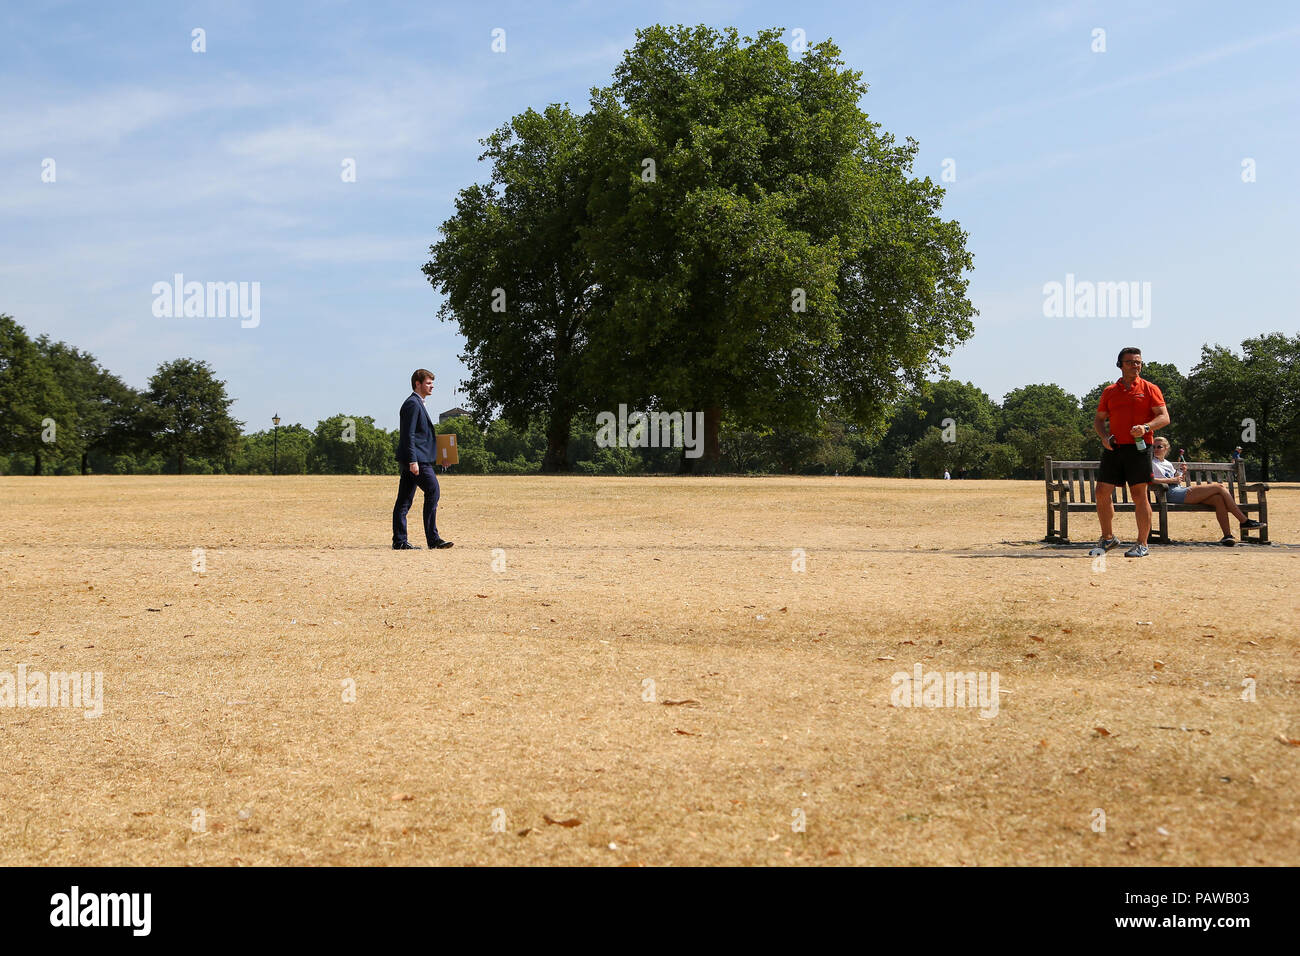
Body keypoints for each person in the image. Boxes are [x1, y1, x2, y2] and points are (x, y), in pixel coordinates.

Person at [1092, 347, 1170, 558]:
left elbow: (1164, 417)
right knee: (1101, 492)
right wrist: (1104, 437)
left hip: (1139, 448)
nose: (1135, 365)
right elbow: (1099, 419)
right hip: (1114, 447)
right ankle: (1108, 538)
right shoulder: (1110, 391)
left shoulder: (1150, 388)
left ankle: (1142, 544)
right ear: (1120, 365)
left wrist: (1146, 427)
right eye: (1130, 362)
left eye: (1138, 362)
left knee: (1139, 495)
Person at [1150, 438, 1262, 545]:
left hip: (1179, 490)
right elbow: (1150, 480)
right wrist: (1172, 479)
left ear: (1166, 448)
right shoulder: (1151, 462)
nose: (1155, 449)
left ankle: (1227, 536)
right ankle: (1243, 521)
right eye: (1153, 447)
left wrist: (1180, 472)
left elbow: (1176, 479)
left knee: (1218, 499)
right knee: (1220, 487)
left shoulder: (1167, 463)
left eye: (1159, 447)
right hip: (1167, 494)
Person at [392, 369, 453, 550]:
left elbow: (422, 437)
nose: (432, 386)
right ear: (417, 384)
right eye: (428, 383)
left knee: (403, 501)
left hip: (419, 458)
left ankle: (400, 541)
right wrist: (412, 461)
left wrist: (441, 457)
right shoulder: (412, 404)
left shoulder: (418, 403)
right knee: (433, 490)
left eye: (432, 383)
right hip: (416, 460)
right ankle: (432, 539)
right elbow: (408, 435)